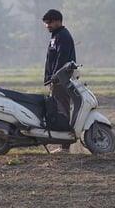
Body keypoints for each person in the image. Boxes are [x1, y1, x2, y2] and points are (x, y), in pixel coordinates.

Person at [42, 9, 76, 154]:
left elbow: (62, 59)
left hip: (61, 80)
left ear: (58, 21)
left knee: (62, 110)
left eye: (49, 22)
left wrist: (55, 77)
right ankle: (62, 143)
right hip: (56, 80)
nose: (47, 26)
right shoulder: (56, 36)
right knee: (58, 109)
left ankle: (65, 146)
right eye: (46, 24)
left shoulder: (63, 36)